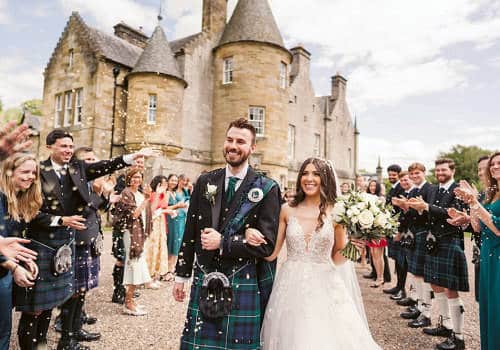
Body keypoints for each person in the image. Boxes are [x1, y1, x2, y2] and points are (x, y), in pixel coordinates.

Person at [14, 129, 159, 350]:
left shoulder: (77, 168)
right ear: (49, 147)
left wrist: (132, 156)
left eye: (71, 147)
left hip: (67, 244)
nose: (68, 150)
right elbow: (28, 213)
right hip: (42, 243)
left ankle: (44, 344)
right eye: (63, 146)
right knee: (36, 307)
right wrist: (60, 220)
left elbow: (106, 166)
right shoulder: (37, 171)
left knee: (54, 302)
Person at [246, 158, 380, 349]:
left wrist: (354, 249)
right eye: (305, 173)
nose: (309, 178)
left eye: (316, 174)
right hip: (289, 285)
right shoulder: (286, 210)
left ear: (325, 179)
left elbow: (336, 258)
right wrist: (249, 233)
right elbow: (271, 253)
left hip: (325, 284)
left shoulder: (336, 212)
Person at [173, 118, 281, 350]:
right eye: (229, 139)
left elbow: (268, 246)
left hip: (243, 278)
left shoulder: (267, 188)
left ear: (253, 148)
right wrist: (181, 275)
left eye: (241, 141)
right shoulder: (205, 181)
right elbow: (191, 231)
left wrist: (224, 242)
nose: (233, 145)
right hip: (206, 273)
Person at [408, 159, 468, 350]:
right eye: (438, 169)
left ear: (453, 170)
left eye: (444, 169)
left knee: (451, 288)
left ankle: (458, 337)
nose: (440, 172)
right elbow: (428, 214)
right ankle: (445, 325)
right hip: (433, 241)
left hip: (450, 241)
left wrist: (426, 207)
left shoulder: (458, 190)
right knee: (435, 283)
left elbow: (453, 214)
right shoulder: (434, 190)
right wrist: (417, 209)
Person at [454, 152, 500, 350]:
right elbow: (479, 227)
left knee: (498, 309)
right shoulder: (491, 192)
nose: (495, 166)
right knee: (488, 308)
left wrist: (474, 202)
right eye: (493, 163)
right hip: (487, 255)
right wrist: (470, 206)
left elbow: (498, 229)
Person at [0, 153, 41, 350]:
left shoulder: (19, 199)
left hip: (4, 272)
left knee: (4, 329)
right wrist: (14, 267)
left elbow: (13, 242)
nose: (31, 176)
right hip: (3, 269)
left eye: (34, 172)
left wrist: (23, 259)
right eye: (25, 171)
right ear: (9, 172)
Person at [393, 162, 434, 329]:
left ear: (424, 173)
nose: (415, 176)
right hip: (414, 234)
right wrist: (405, 207)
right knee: (415, 273)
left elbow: (430, 212)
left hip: (424, 234)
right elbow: (410, 215)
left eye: (417, 173)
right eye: (412, 174)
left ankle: (426, 313)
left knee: (421, 274)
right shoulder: (415, 190)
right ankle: (419, 306)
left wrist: (413, 208)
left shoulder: (429, 189)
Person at [113, 168, 153, 316]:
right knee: (134, 267)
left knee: (138, 266)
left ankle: (130, 300)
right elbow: (133, 215)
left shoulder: (139, 194)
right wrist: (147, 199)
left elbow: (146, 214)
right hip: (131, 234)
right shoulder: (126, 193)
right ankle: (128, 302)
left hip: (139, 234)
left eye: (139, 177)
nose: (137, 179)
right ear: (128, 178)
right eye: (134, 177)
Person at [111, 156, 145, 304]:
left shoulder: (141, 187)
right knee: (121, 258)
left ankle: (127, 291)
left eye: (142, 163)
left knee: (130, 260)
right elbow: (119, 205)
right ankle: (118, 290)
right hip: (122, 227)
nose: (140, 164)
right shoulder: (122, 181)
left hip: (134, 228)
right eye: (137, 162)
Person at [388, 171, 413, 302]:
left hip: (408, 233)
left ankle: (403, 291)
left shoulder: (414, 195)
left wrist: (401, 231)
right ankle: (399, 287)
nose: (404, 182)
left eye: (406, 180)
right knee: (399, 261)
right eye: (402, 180)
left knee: (405, 263)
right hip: (400, 230)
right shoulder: (404, 194)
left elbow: (409, 217)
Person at [383, 165, 406, 298]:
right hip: (392, 226)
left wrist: (399, 229)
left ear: (398, 174)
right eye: (389, 174)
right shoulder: (393, 187)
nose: (391, 177)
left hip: (399, 227)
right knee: (397, 259)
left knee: (401, 260)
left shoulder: (400, 187)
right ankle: (398, 286)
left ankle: (402, 289)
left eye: (394, 175)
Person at [144, 175, 170, 283]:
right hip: (153, 223)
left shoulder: (164, 195)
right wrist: (157, 194)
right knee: (152, 247)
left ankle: (156, 273)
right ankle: (148, 274)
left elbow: (163, 208)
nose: (166, 186)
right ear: (158, 184)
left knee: (160, 247)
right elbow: (151, 211)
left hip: (161, 224)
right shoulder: (153, 194)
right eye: (163, 184)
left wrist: (167, 211)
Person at [365, 180, 391, 287]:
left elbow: (383, 212)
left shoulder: (381, 198)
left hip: (379, 229)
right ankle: (378, 276)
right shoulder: (366, 197)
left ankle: (381, 278)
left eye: (374, 186)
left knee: (378, 254)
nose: (372, 187)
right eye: (370, 185)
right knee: (373, 254)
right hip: (370, 228)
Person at [165, 174, 188, 279]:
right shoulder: (166, 193)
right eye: (172, 180)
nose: (174, 182)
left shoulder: (175, 192)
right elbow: (164, 207)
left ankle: (172, 268)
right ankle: (168, 269)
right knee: (171, 242)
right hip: (170, 221)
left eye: (175, 180)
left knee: (177, 243)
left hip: (178, 220)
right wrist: (178, 206)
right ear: (168, 181)